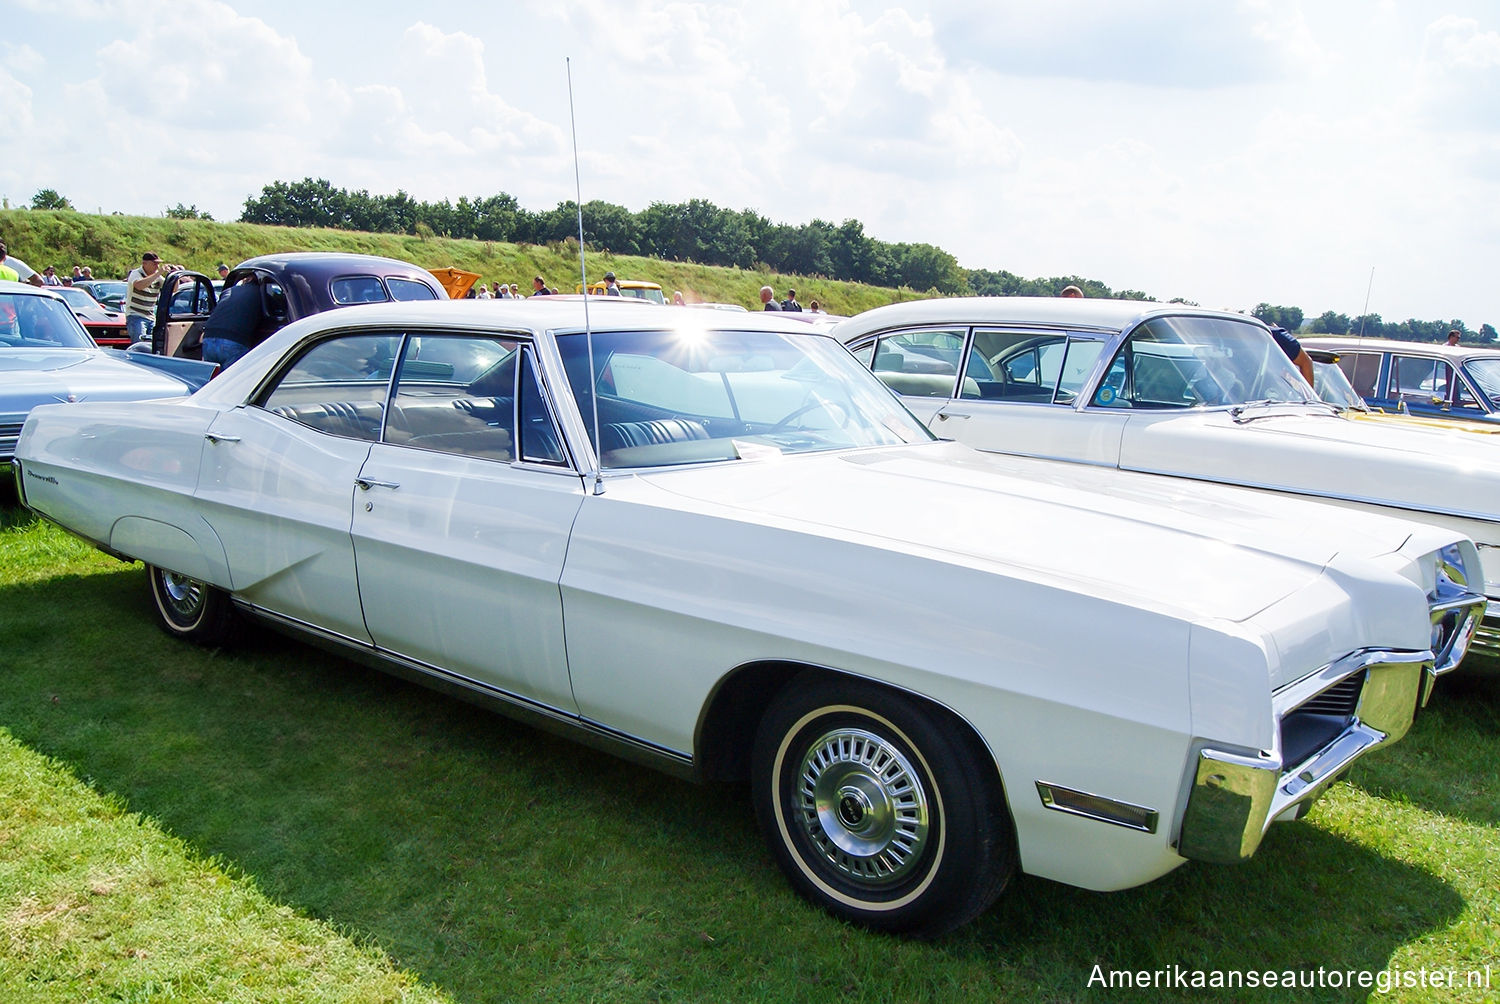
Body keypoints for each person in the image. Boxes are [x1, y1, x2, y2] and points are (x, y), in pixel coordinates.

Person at [201, 278, 267, 368]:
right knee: (233, 379)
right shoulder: (263, 295)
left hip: (209, 337)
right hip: (234, 340)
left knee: (213, 379)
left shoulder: (229, 290)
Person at [124, 252, 178, 345]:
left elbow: (173, 289)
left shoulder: (157, 277)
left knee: (153, 345)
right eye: (154, 264)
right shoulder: (136, 273)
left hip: (151, 317)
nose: (157, 267)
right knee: (139, 345)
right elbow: (139, 285)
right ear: (144, 263)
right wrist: (158, 274)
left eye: (158, 264)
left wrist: (175, 275)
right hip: (136, 316)